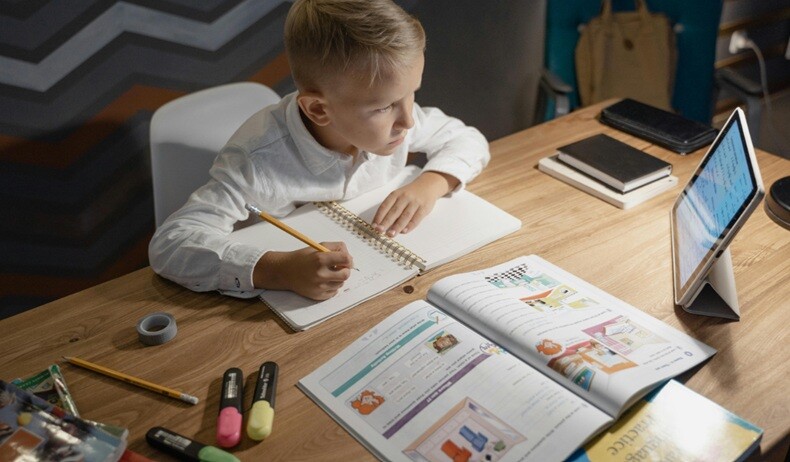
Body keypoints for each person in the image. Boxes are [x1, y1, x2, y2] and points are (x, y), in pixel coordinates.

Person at [148, 0, 490, 302]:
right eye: (385, 107)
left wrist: (431, 184)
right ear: (319, 111)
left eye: (412, 93)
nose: (409, 119)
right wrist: (278, 270)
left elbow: (468, 139)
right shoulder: (255, 162)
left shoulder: (393, 121)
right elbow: (170, 245)